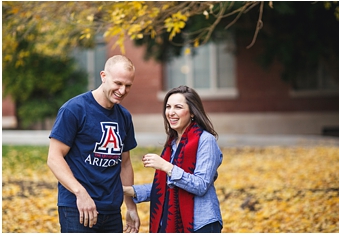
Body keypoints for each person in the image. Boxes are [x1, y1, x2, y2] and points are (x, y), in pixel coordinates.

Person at [48, 55, 140, 233]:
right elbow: (54, 158)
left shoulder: (124, 116)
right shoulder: (74, 109)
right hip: (77, 208)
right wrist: (80, 193)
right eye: (118, 83)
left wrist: (130, 206)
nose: (122, 90)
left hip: (112, 210)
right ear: (103, 76)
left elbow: (125, 163)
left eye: (128, 85)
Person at [125, 86, 224, 233]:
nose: (171, 112)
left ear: (192, 112)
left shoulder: (206, 140)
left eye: (178, 107)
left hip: (200, 224)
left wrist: (167, 167)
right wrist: (129, 190)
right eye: (168, 107)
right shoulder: (172, 144)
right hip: (171, 224)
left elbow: (200, 185)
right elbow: (166, 187)